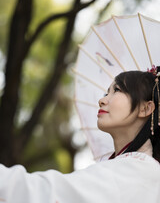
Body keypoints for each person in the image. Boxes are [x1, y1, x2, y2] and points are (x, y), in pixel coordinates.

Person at [0, 67, 160, 203]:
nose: (102, 100)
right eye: (106, 92)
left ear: (145, 108)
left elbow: (49, 194)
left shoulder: (137, 172)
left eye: (117, 90)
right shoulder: (138, 169)